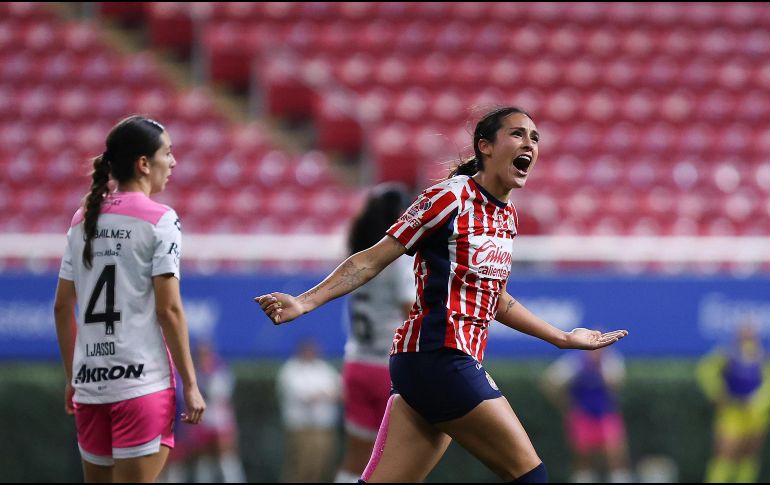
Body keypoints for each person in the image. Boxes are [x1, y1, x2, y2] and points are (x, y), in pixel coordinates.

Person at [256, 106, 628, 483]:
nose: (529, 143)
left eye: (535, 137)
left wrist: (562, 338)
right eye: (517, 134)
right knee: (531, 476)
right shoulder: (449, 199)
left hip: (430, 364)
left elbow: (496, 299)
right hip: (439, 357)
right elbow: (370, 260)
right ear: (485, 146)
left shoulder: (507, 216)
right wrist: (304, 301)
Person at [53, 115, 206, 483]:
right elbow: (168, 309)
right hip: (141, 384)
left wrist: (73, 377)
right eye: (167, 153)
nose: (172, 163)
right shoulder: (161, 220)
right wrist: (190, 383)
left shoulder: (81, 219)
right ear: (143, 164)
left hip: (90, 384)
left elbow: (62, 307)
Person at [335, 183, 415, 483]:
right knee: (406, 462)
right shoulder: (399, 261)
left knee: (355, 460)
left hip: (356, 364)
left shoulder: (355, 258)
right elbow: (411, 313)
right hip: (389, 368)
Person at [541, 348, 632, 483]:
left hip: (606, 414)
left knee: (615, 455)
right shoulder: (574, 362)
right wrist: (566, 406)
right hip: (582, 416)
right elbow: (550, 382)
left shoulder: (611, 360)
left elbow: (616, 384)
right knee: (583, 458)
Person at [696, 322, 770, 483]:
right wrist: (718, 394)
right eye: (744, 333)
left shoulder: (762, 356)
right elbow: (705, 372)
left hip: (755, 416)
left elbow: (767, 384)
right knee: (725, 454)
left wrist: (758, 402)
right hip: (731, 413)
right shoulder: (727, 354)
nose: (748, 337)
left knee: (749, 455)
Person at [276, 339, 342, 483]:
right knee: (301, 466)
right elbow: (306, 397)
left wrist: (323, 395)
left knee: (322, 466)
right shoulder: (291, 370)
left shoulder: (323, 368)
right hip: (302, 429)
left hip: (324, 428)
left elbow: (340, 391)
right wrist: (325, 394)